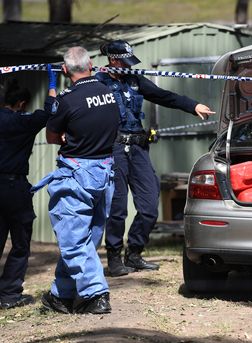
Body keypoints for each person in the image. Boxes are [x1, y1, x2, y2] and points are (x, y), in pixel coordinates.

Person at [96, 40, 215, 277]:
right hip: (114, 149)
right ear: (112, 60)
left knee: (150, 205)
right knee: (118, 208)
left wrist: (193, 106)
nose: (129, 66)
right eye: (124, 62)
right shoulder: (98, 83)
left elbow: (164, 96)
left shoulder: (135, 80)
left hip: (139, 148)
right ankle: (115, 257)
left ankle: (135, 253)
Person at [32, 47, 120, 314]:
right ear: (91, 64)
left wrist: (66, 133)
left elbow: (50, 136)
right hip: (105, 172)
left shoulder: (67, 100)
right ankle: (62, 294)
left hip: (76, 175)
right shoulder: (109, 93)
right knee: (86, 238)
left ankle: (96, 294)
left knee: (72, 239)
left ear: (66, 70)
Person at [0, 80, 50, 309]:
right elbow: (49, 112)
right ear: (21, 103)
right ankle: (9, 294)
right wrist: (51, 91)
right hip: (14, 187)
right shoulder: (24, 121)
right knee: (20, 243)